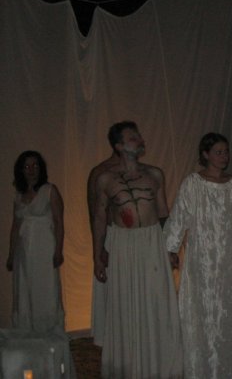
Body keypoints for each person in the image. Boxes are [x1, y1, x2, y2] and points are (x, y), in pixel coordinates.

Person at [165, 132, 232, 379]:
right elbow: (180, 216)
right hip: (203, 259)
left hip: (231, 257)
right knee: (205, 312)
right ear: (206, 154)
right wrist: (171, 248)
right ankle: (206, 368)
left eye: (226, 151)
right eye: (218, 152)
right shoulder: (193, 184)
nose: (224, 156)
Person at [92, 121, 182, 378]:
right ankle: (130, 365)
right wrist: (98, 256)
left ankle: (160, 363)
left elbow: (163, 212)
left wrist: (171, 247)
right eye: (133, 137)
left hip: (152, 241)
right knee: (126, 303)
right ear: (119, 145)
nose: (139, 139)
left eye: (139, 135)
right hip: (123, 244)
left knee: (156, 300)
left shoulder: (155, 174)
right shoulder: (105, 179)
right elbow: (100, 217)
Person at [6, 151, 65, 333]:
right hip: (23, 252)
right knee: (24, 289)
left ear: (41, 168)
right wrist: (11, 254)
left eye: (35, 165)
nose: (31, 170)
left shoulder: (49, 191)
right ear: (21, 170)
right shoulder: (19, 195)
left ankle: (48, 333)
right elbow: (15, 226)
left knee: (45, 288)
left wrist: (58, 251)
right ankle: (26, 334)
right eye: (27, 166)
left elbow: (59, 222)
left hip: (44, 249)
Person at [87, 145, 120, 347]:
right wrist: (98, 251)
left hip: (135, 240)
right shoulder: (100, 172)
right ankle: (112, 340)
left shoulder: (143, 172)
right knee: (112, 292)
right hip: (111, 236)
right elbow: (95, 214)